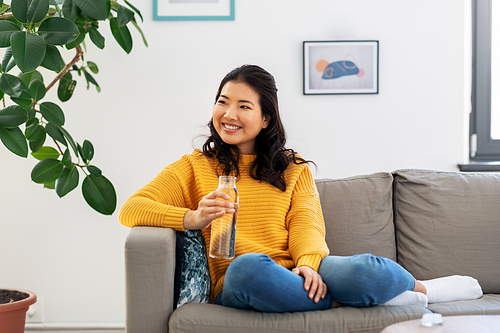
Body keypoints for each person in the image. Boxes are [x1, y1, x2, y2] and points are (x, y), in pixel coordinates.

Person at [119, 64, 482, 312]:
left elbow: (307, 224)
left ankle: (422, 290)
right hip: (243, 279)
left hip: (298, 273)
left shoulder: (292, 169)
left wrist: (309, 266)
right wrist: (193, 217)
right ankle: (354, 300)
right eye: (222, 102)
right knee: (247, 269)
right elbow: (132, 209)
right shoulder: (194, 167)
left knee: (365, 269)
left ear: (265, 119)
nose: (228, 114)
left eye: (243, 106)